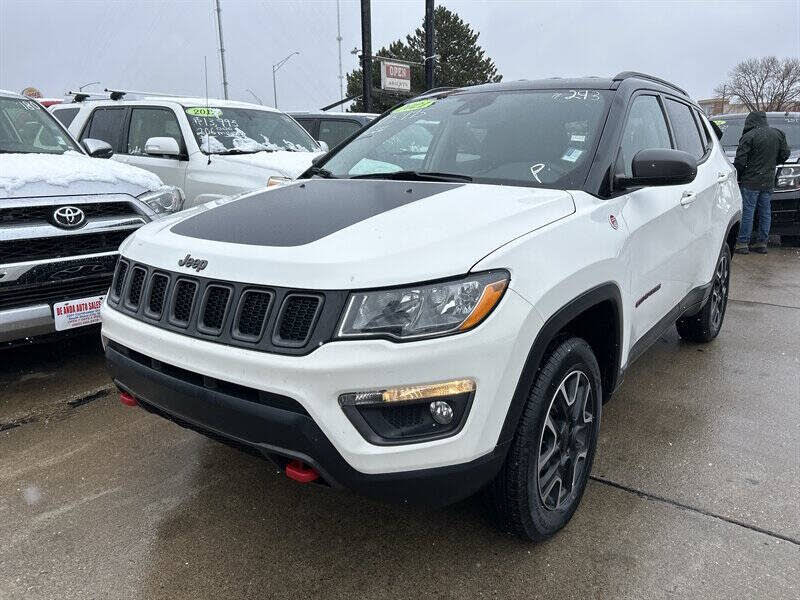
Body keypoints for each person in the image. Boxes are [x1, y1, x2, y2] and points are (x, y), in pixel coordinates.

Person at [733, 111, 790, 254]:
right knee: (765, 211)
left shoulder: (748, 136)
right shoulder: (778, 134)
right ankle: (762, 242)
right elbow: (785, 154)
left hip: (750, 181)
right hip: (768, 180)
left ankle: (742, 243)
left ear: (750, 121)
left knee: (748, 211)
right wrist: (772, 164)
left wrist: (738, 175)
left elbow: (740, 161)